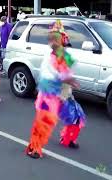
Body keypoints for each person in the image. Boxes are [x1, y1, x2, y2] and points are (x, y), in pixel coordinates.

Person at [26, 20, 85, 159]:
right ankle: (34, 148)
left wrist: (69, 80)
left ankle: (68, 139)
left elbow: (69, 69)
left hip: (64, 94)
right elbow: (54, 75)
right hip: (49, 94)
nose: (53, 42)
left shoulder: (65, 55)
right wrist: (67, 78)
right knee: (44, 121)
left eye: (57, 39)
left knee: (76, 116)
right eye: (51, 39)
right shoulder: (49, 57)